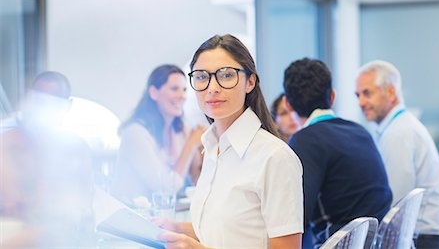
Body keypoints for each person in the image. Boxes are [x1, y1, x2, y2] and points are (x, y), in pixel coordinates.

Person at [156, 34, 304, 248]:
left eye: (226, 75)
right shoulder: (212, 147)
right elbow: (229, 232)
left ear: (250, 82)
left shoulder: (274, 157)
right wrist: (178, 229)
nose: (212, 87)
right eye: (201, 77)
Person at [283, 58, 392, 247]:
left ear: (287, 104)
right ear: (332, 97)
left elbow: (295, 218)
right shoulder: (360, 132)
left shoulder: (305, 140)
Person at [356, 60, 439, 249]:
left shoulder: (398, 133)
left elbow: (395, 203)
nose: (361, 102)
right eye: (357, 95)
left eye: (367, 93)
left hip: (422, 238)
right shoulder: (400, 127)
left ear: (390, 92)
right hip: (428, 235)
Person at [0, 71, 94, 247]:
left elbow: (83, 208)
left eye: (54, 101)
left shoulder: (77, 148)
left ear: (67, 105)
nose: (46, 109)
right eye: (40, 100)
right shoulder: (9, 143)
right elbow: (11, 204)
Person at [112, 65, 204, 204]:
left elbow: (197, 182)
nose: (182, 96)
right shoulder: (135, 133)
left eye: (184, 90)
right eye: (174, 89)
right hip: (133, 217)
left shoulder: (180, 129)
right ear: (154, 92)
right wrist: (191, 145)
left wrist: (202, 150)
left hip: (165, 217)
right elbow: (165, 190)